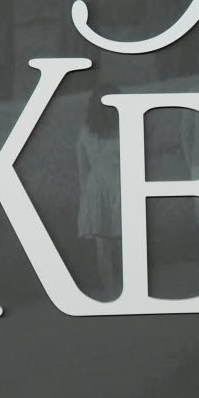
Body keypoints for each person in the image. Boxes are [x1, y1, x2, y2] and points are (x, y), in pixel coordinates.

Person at [76, 84, 122, 298]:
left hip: (95, 187)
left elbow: (82, 169)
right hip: (121, 185)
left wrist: (85, 198)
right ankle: (128, 289)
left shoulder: (85, 132)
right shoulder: (123, 128)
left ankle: (110, 291)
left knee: (102, 245)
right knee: (124, 242)